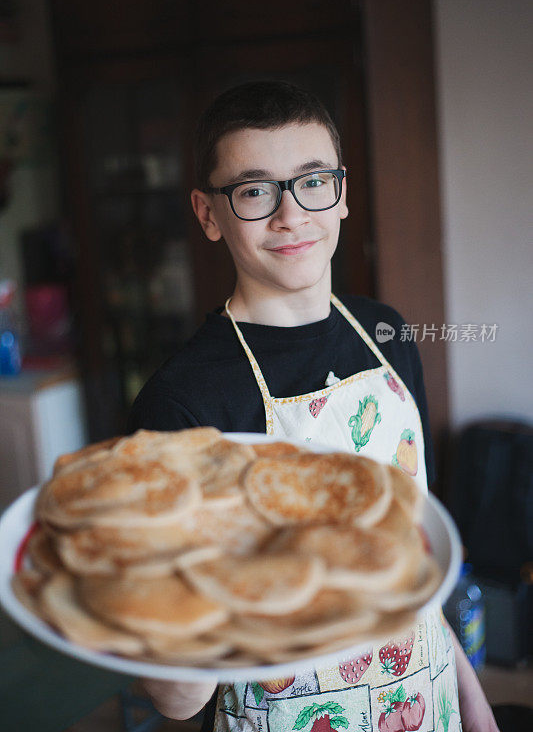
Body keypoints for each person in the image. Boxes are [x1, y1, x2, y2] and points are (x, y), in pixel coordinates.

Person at [128, 81, 499, 732]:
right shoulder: (180, 401)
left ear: (342, 193)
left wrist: (474, 708)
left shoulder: (387, 334)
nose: (291, 215)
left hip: (429, 697)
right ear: (208, 214)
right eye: (253, 191)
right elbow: (175, 699)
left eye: (312, 181)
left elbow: (418, 562)